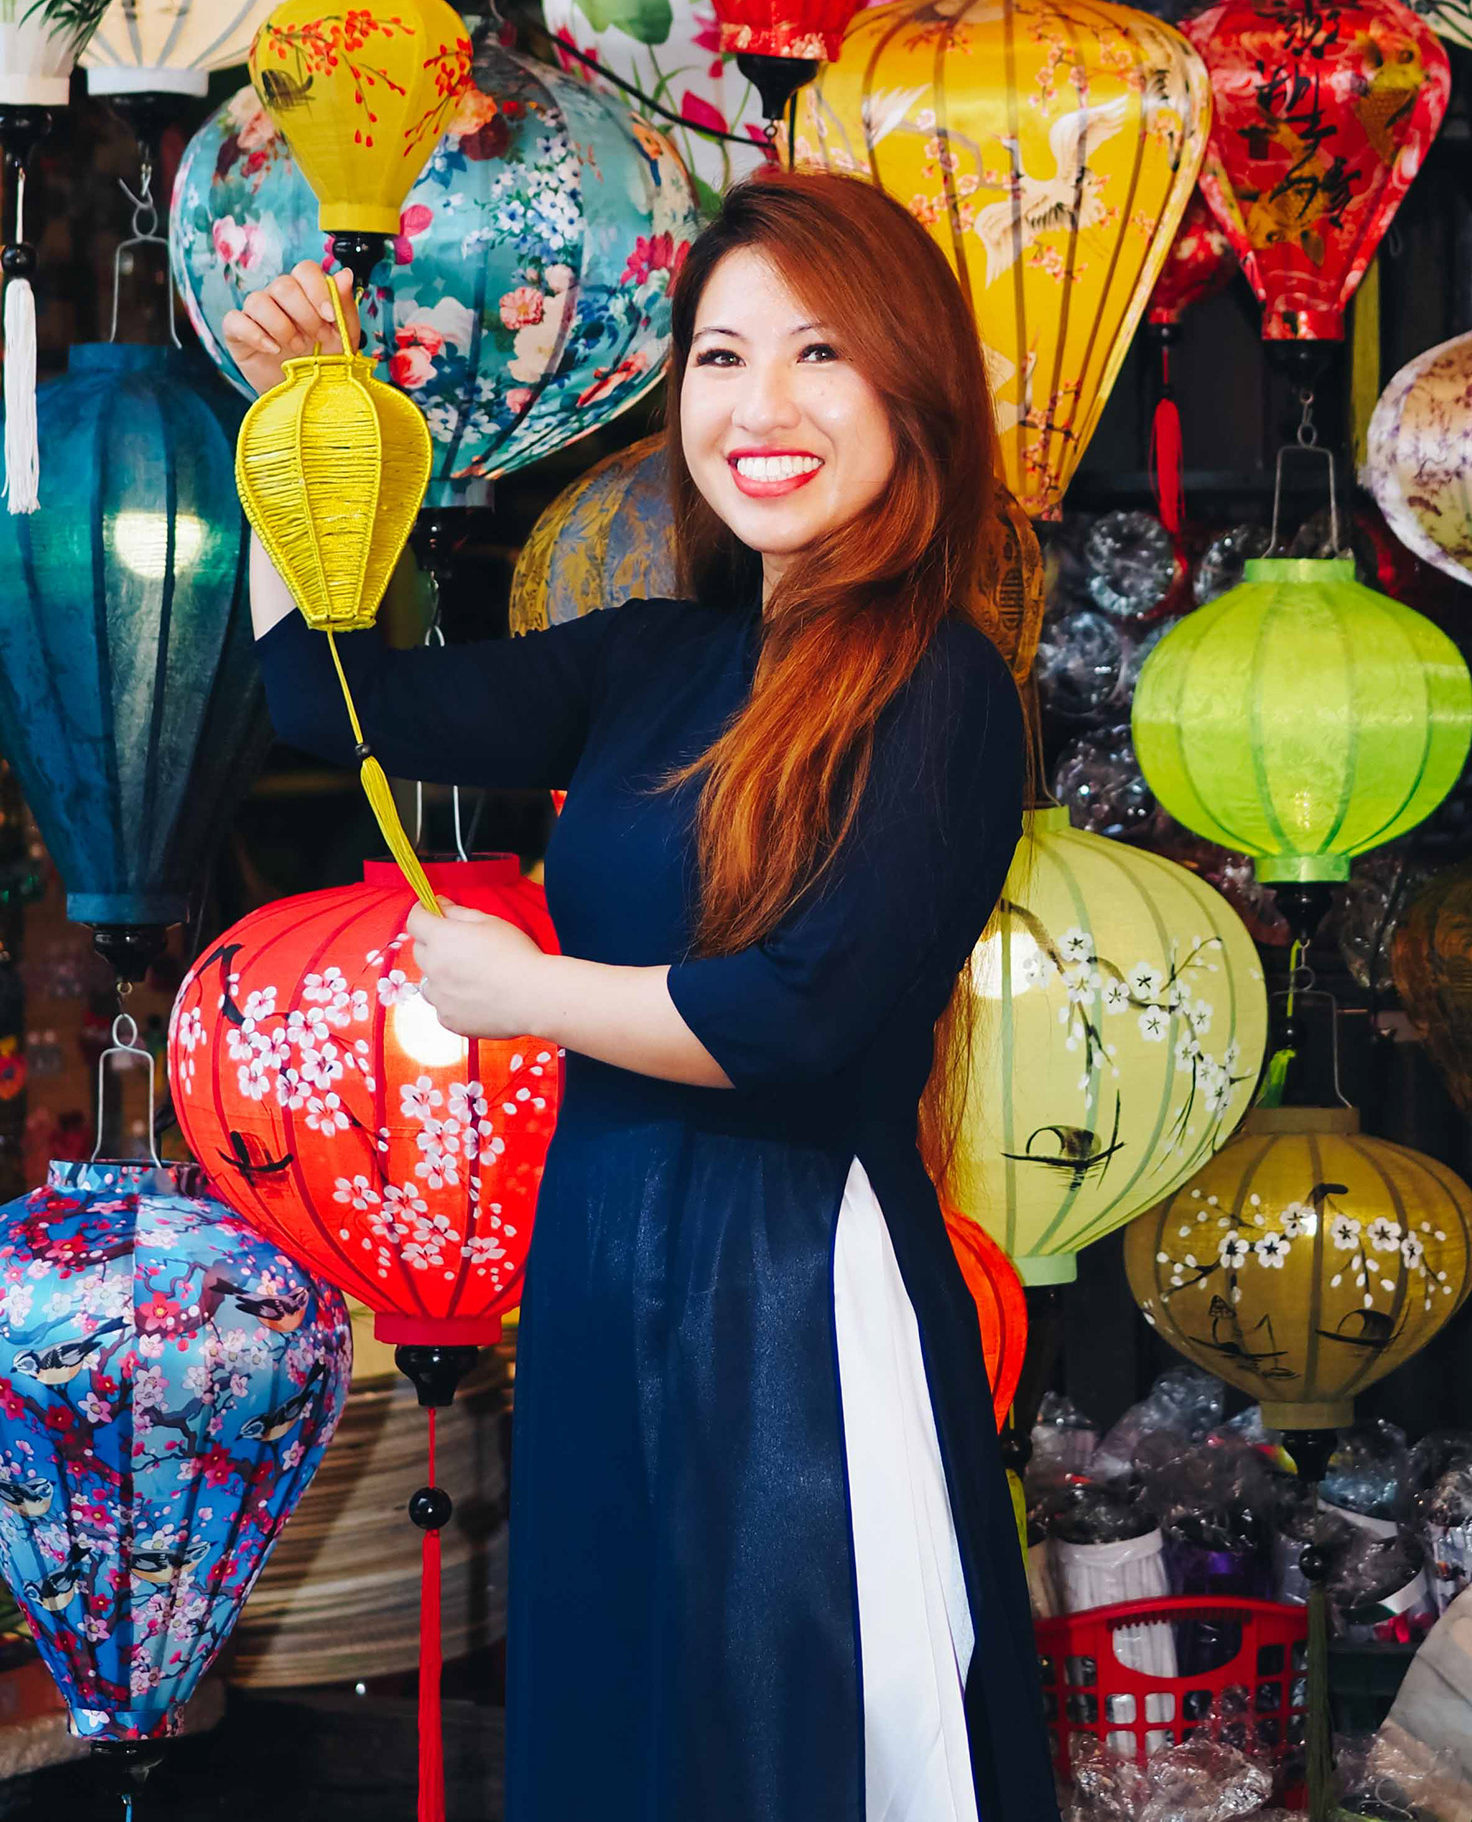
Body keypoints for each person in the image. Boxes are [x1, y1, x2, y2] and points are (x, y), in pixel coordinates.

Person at [226, 169, 1055, 1822]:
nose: (760, 408)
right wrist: (295, 431)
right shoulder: (648, 660)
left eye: (819, 355)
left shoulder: (942, 685)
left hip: (791, 1281)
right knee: (626, 1720)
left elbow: (796, 1017)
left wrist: (533, 991)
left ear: (915, 394)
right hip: (603, 1261)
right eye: (721, 358)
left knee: (793, 1732)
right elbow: (338, 702)